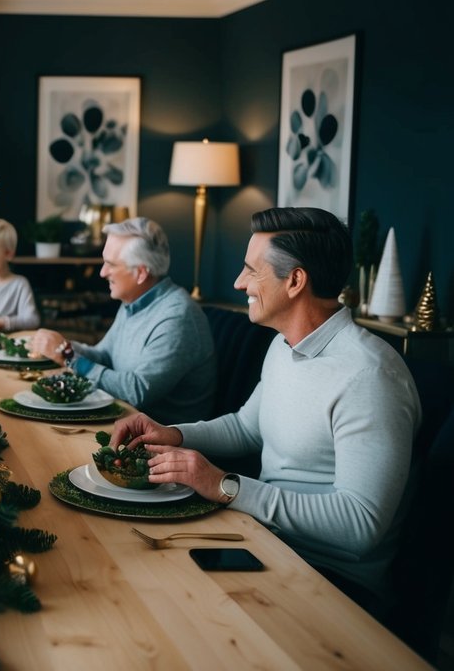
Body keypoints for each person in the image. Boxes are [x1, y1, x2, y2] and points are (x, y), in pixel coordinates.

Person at [111, 207, 420, 611]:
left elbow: (360, 525)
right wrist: (172, 433)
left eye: (251, 270)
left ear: (295, 281)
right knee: (130, 569)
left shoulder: (369, 377)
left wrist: (225, 485)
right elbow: (245, 427)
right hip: (262, 540)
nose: (239, 282)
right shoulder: (284, 344)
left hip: (330, 580)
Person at [30, 217, 215, 424]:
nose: (102, 272)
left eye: (110, 264)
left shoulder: (177, 318)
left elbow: (137, 391)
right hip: (121, 420)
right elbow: (103, 356)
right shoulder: (134, 302)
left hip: (161, 443)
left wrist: (68, 356)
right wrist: (61, 346)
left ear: (141, 273)